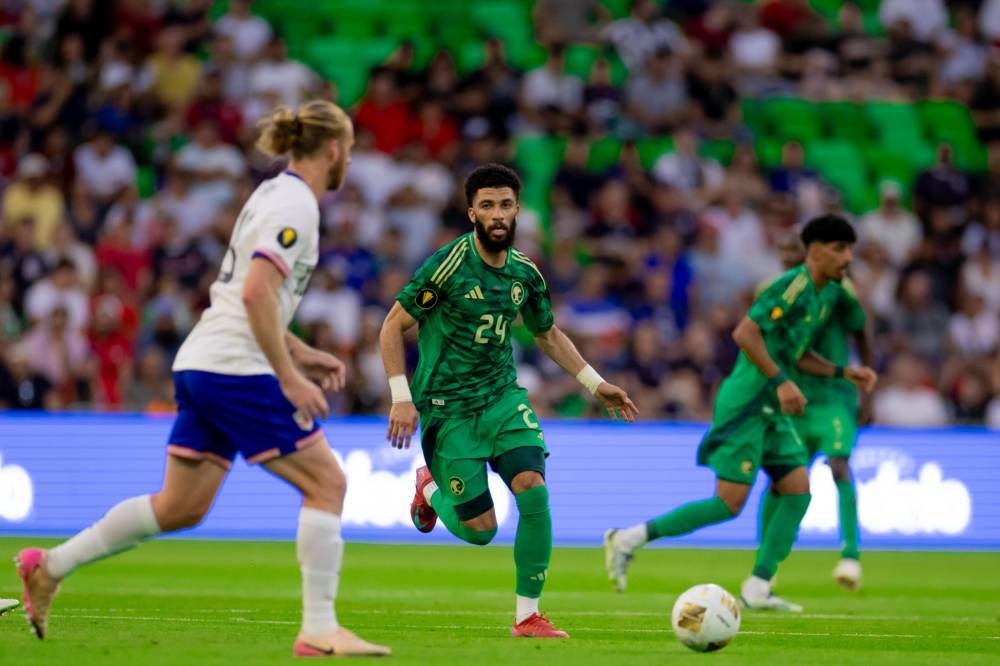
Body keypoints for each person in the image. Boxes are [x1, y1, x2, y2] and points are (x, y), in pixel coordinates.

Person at [15, 100, 390, 658]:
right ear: (334, 149)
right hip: (236, 368)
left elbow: (249, 294)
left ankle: (49, 567)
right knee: (327, 484)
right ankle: (318, 628)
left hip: (203, 361)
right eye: (351, 149)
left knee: (180, 506)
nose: (350, 160)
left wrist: (298, 349)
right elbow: (256, 293)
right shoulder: (296, 205)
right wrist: (288, 376)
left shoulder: (269, 193)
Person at [380, 163, 638, 639]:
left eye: (504, 205)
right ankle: (429, 487)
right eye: (487, 206)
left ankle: (527, 616)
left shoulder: (525, 273)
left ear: (517, 210)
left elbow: (547, 333)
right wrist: (401, 397)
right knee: (481, 531)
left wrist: (594, 382)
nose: (497, 214)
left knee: (532, 487)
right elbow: (393, 324)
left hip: (502, 399)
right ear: (471, 213)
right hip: (448, 410)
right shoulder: (448, 265)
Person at [604, 215, 878, 611]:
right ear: (816, 252)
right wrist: (781, 381)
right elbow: (744, 333)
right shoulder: (793, 287)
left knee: (798, 489)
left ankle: (758, 586)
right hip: (749, 403)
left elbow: (797, 354)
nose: (848, 258)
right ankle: (629, 538)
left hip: (770, 407)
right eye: (840, 249)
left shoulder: (824, 294)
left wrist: (842, 372)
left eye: (850, 249)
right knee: (728, 504)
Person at [756, 234, 873, 590]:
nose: (787, 259)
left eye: (794, 251)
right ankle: (766, 563)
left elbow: (862, 330)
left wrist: (867, 388)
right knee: (782, 477)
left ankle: (850, 556)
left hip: (833, 397)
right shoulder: (772, 291)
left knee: (839, 465)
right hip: (793, 397)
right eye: (782, 252)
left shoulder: (838, 287)